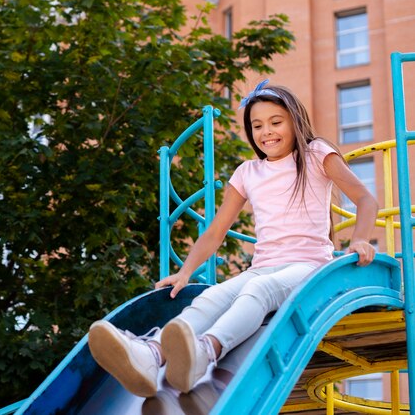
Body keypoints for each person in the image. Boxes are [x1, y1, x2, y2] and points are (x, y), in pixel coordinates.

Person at [88, 80, 378, 398]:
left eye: (276, 122)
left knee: (258, 290)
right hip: (263, 266)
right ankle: (150, 355)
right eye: (257, 126)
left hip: (308, 268)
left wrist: (360, 240)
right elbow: (215, 232)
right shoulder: (247, 173)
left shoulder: (315, 154)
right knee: (213, 296)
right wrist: (185, 272)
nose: (266, 132)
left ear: (295, 121)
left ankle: (206, 352)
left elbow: (365, 199)